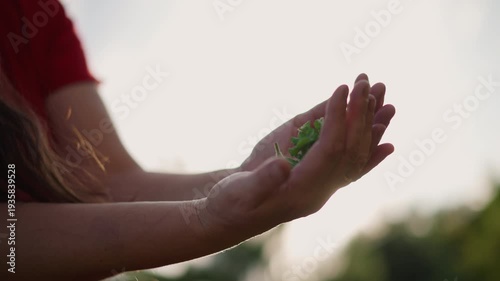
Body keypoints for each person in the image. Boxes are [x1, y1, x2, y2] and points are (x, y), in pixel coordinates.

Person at [0, 1, 396, 280]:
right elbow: (10, 245)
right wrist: (208, 221)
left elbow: (109, 182)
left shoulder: (38, 14)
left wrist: (247, 176)